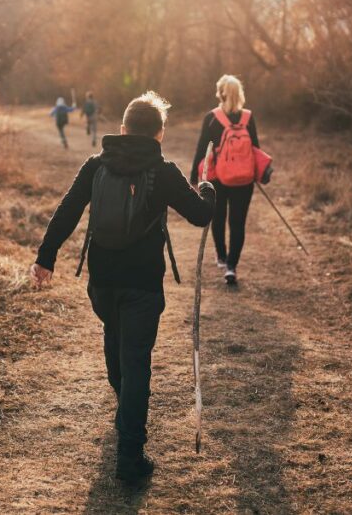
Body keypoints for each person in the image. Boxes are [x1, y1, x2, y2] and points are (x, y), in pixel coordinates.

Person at [31, 92, 215, 484]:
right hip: (143, 284)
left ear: (122, 128)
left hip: (103, 281)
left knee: (117, 347)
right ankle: (129, 456)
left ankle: (126, 416)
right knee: (136, 364)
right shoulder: (163, 170)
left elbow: (67, 210)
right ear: (159, 133)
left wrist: (45, 257)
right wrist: (208, 187)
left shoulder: (96, 165)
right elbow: (200, 215)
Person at [191, 74, 262, 285]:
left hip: (218, 178)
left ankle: (221, 257)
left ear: (220, 93)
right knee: (238, 222)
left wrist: (194, 176)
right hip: (245, 179)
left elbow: (203, 149)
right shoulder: (248, 118)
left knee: (218, 217)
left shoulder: (212, 118)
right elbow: (256, 148)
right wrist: (259, 173)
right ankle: (231, 267)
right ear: (239, 93)